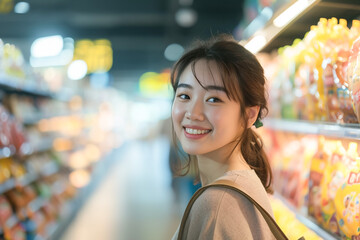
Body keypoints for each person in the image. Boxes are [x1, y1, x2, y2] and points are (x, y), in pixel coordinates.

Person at [170, 34, 275, 240]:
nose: (193, 112)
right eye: (185, 96)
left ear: (249, 115)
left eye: (213, 99)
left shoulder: (217, 203)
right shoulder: (242, 181)